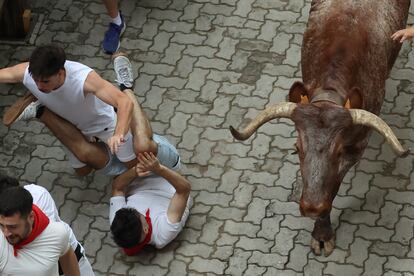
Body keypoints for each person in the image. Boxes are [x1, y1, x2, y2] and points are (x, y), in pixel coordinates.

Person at [1, 46, 178, 176]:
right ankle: (40, 110)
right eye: (35, 80)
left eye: (45, 82)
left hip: (106, 125)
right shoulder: (26, 72)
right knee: (83, 171)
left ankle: (126, 85)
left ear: (61, 72)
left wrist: (118, 133)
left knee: (134, 163)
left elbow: (123, 102)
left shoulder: (83, 78)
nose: (39, 86)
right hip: (75, 124)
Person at [0, 175, 95, 276]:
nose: (5, 233)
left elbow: (59, 249)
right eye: (1, 225)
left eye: (13, 226)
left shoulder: (39, 197)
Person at [109, 152, 192, 255]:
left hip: (139, 175)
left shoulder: (118, 220)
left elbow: (117, 187)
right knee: (143, 145)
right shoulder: (163, 233)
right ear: (146, 228)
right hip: (168, 173)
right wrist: (158, 169)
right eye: (139, 214)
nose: (137, 210)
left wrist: (135, 171)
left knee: (103, 156)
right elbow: (184, 189)